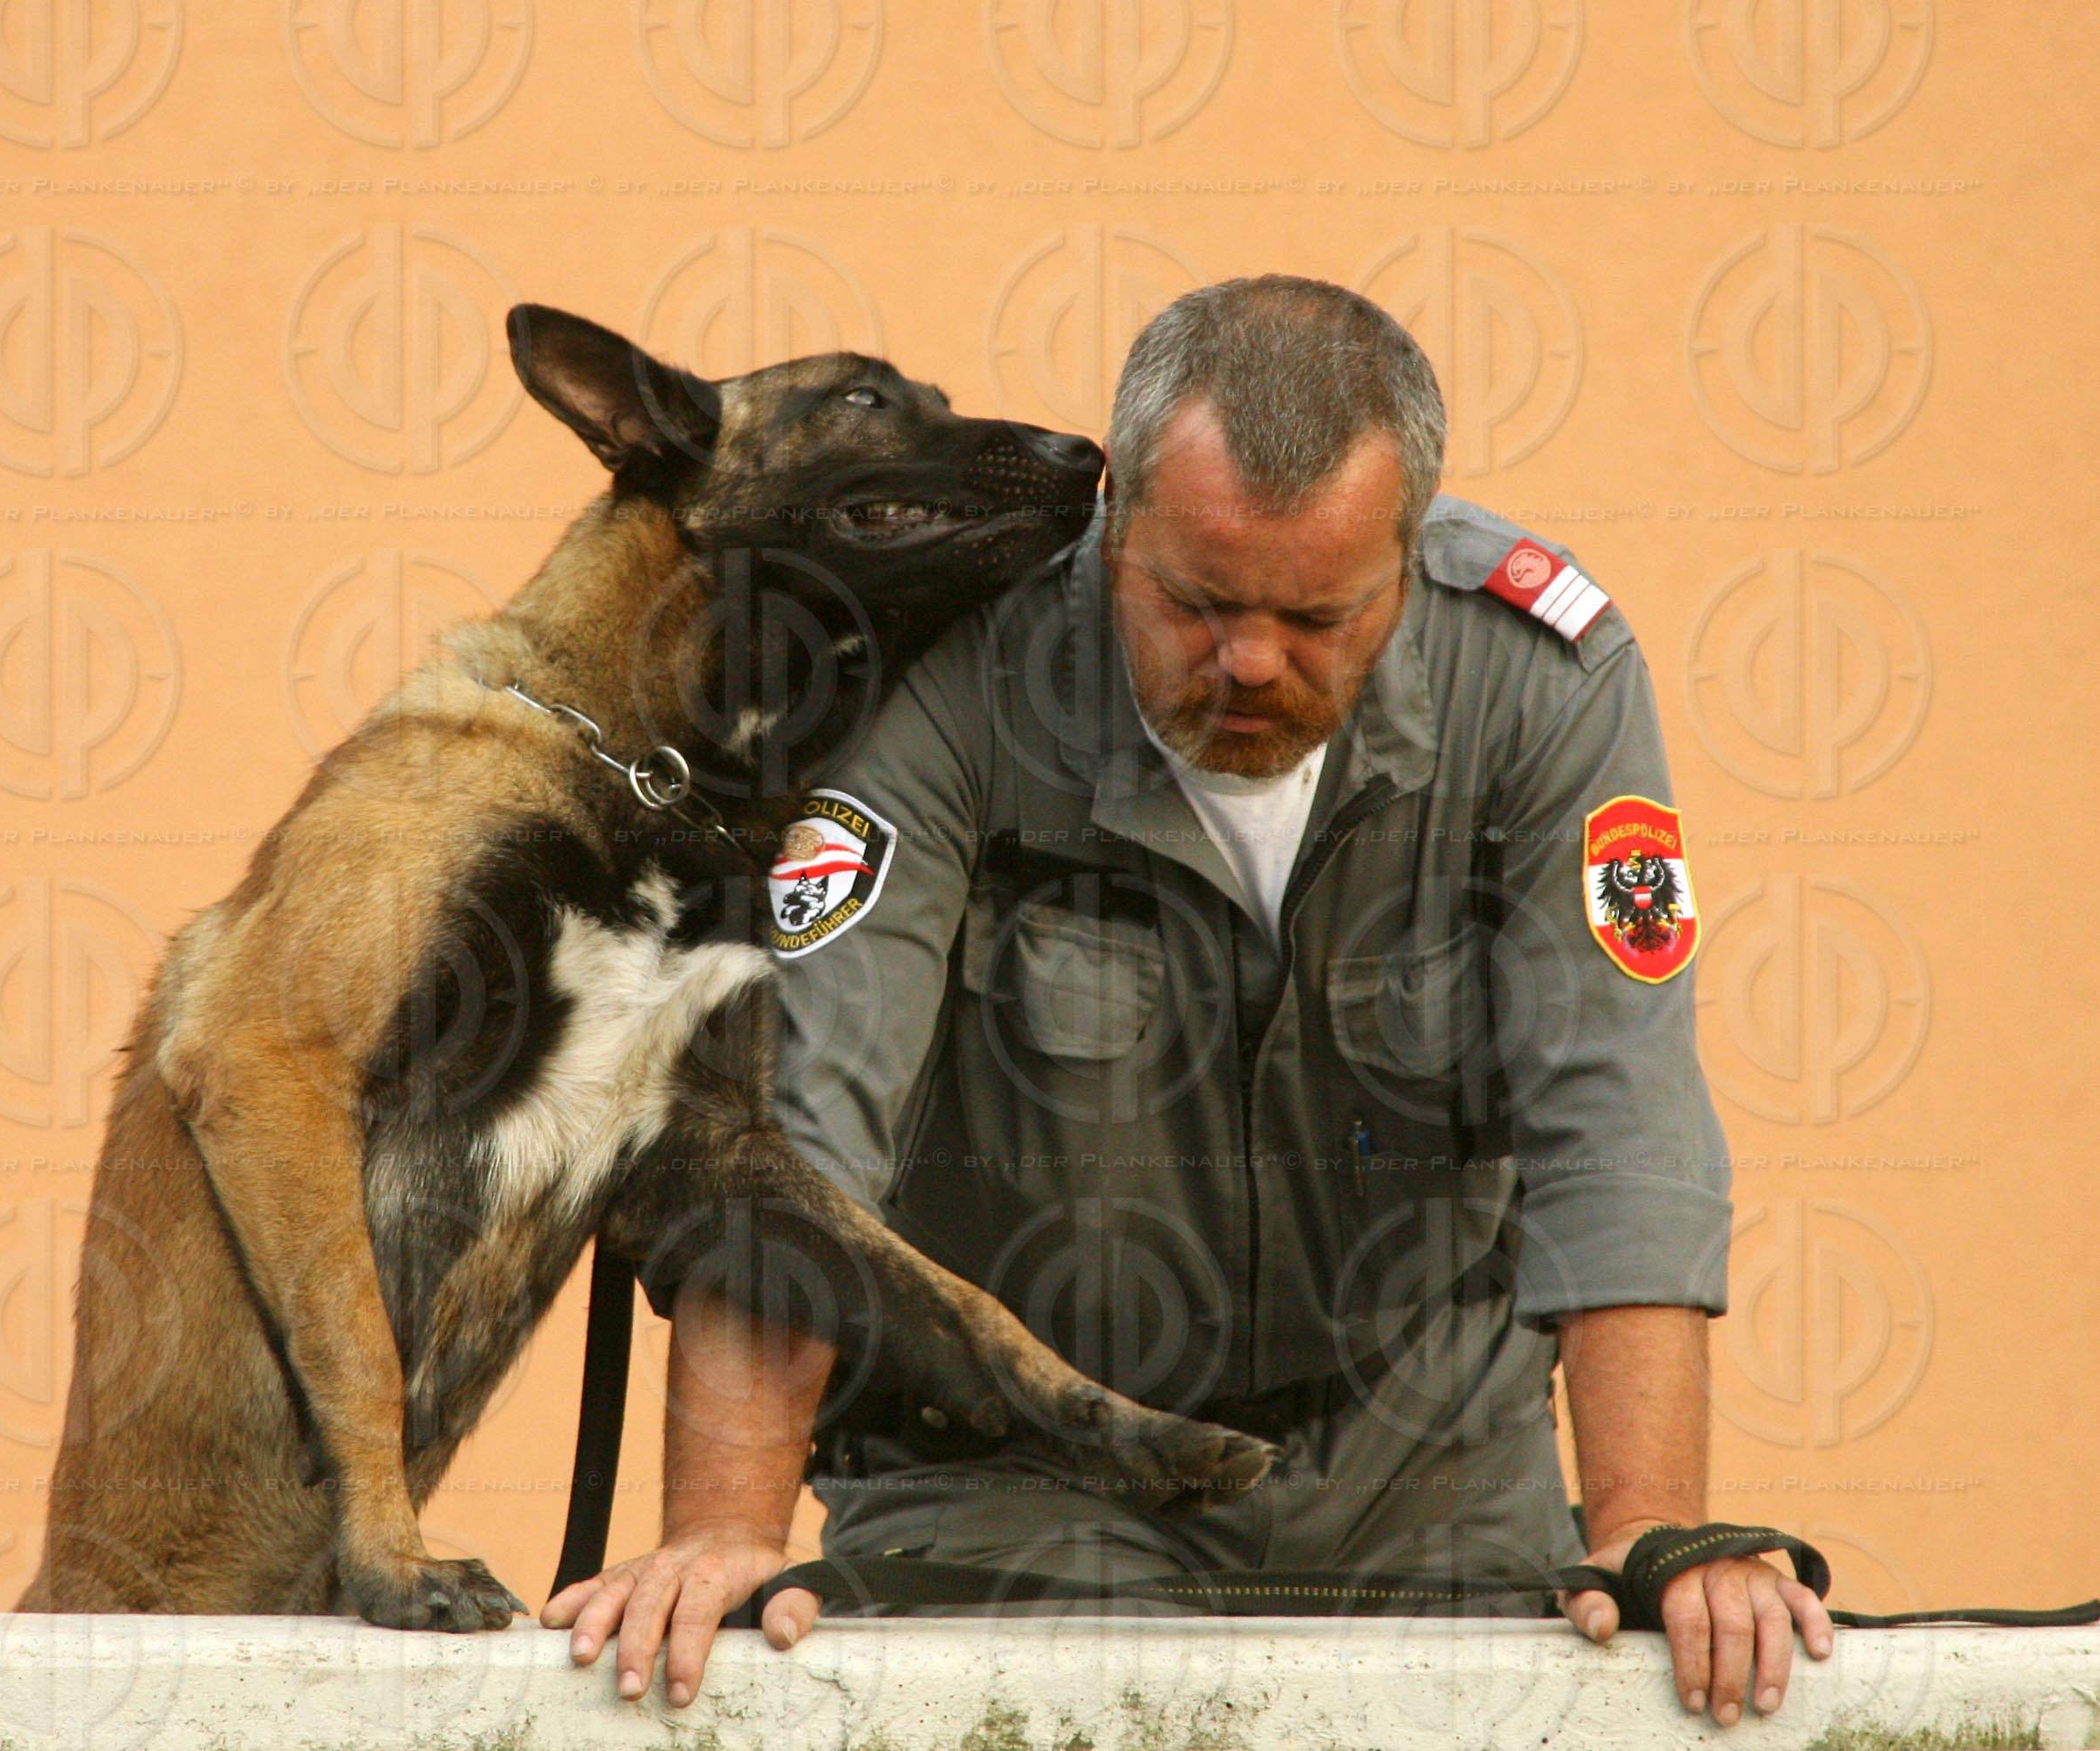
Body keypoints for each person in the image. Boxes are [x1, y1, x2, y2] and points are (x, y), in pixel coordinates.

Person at [544, 276, 1835, 1728]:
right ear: (1114, 528)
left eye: (1316, 614)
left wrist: (1648, 1527)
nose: (1249, 662)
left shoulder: (1541, 679)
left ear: (1407, 559)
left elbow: (1620, 1122)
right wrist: (726, 1527)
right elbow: (801, 1125)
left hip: (1430, 1484)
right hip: (1017, 1482)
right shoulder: (958, 668)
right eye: (1196, 600)